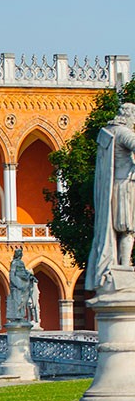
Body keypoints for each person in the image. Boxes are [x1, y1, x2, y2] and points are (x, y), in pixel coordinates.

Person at [87, 102, 135, 291]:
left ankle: (120, 267)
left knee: (117, 230)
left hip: (111, 188)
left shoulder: (106, 133)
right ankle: (125, 267)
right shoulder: (123, 133)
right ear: (129, 115)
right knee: (127, 230)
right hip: (125, 186)